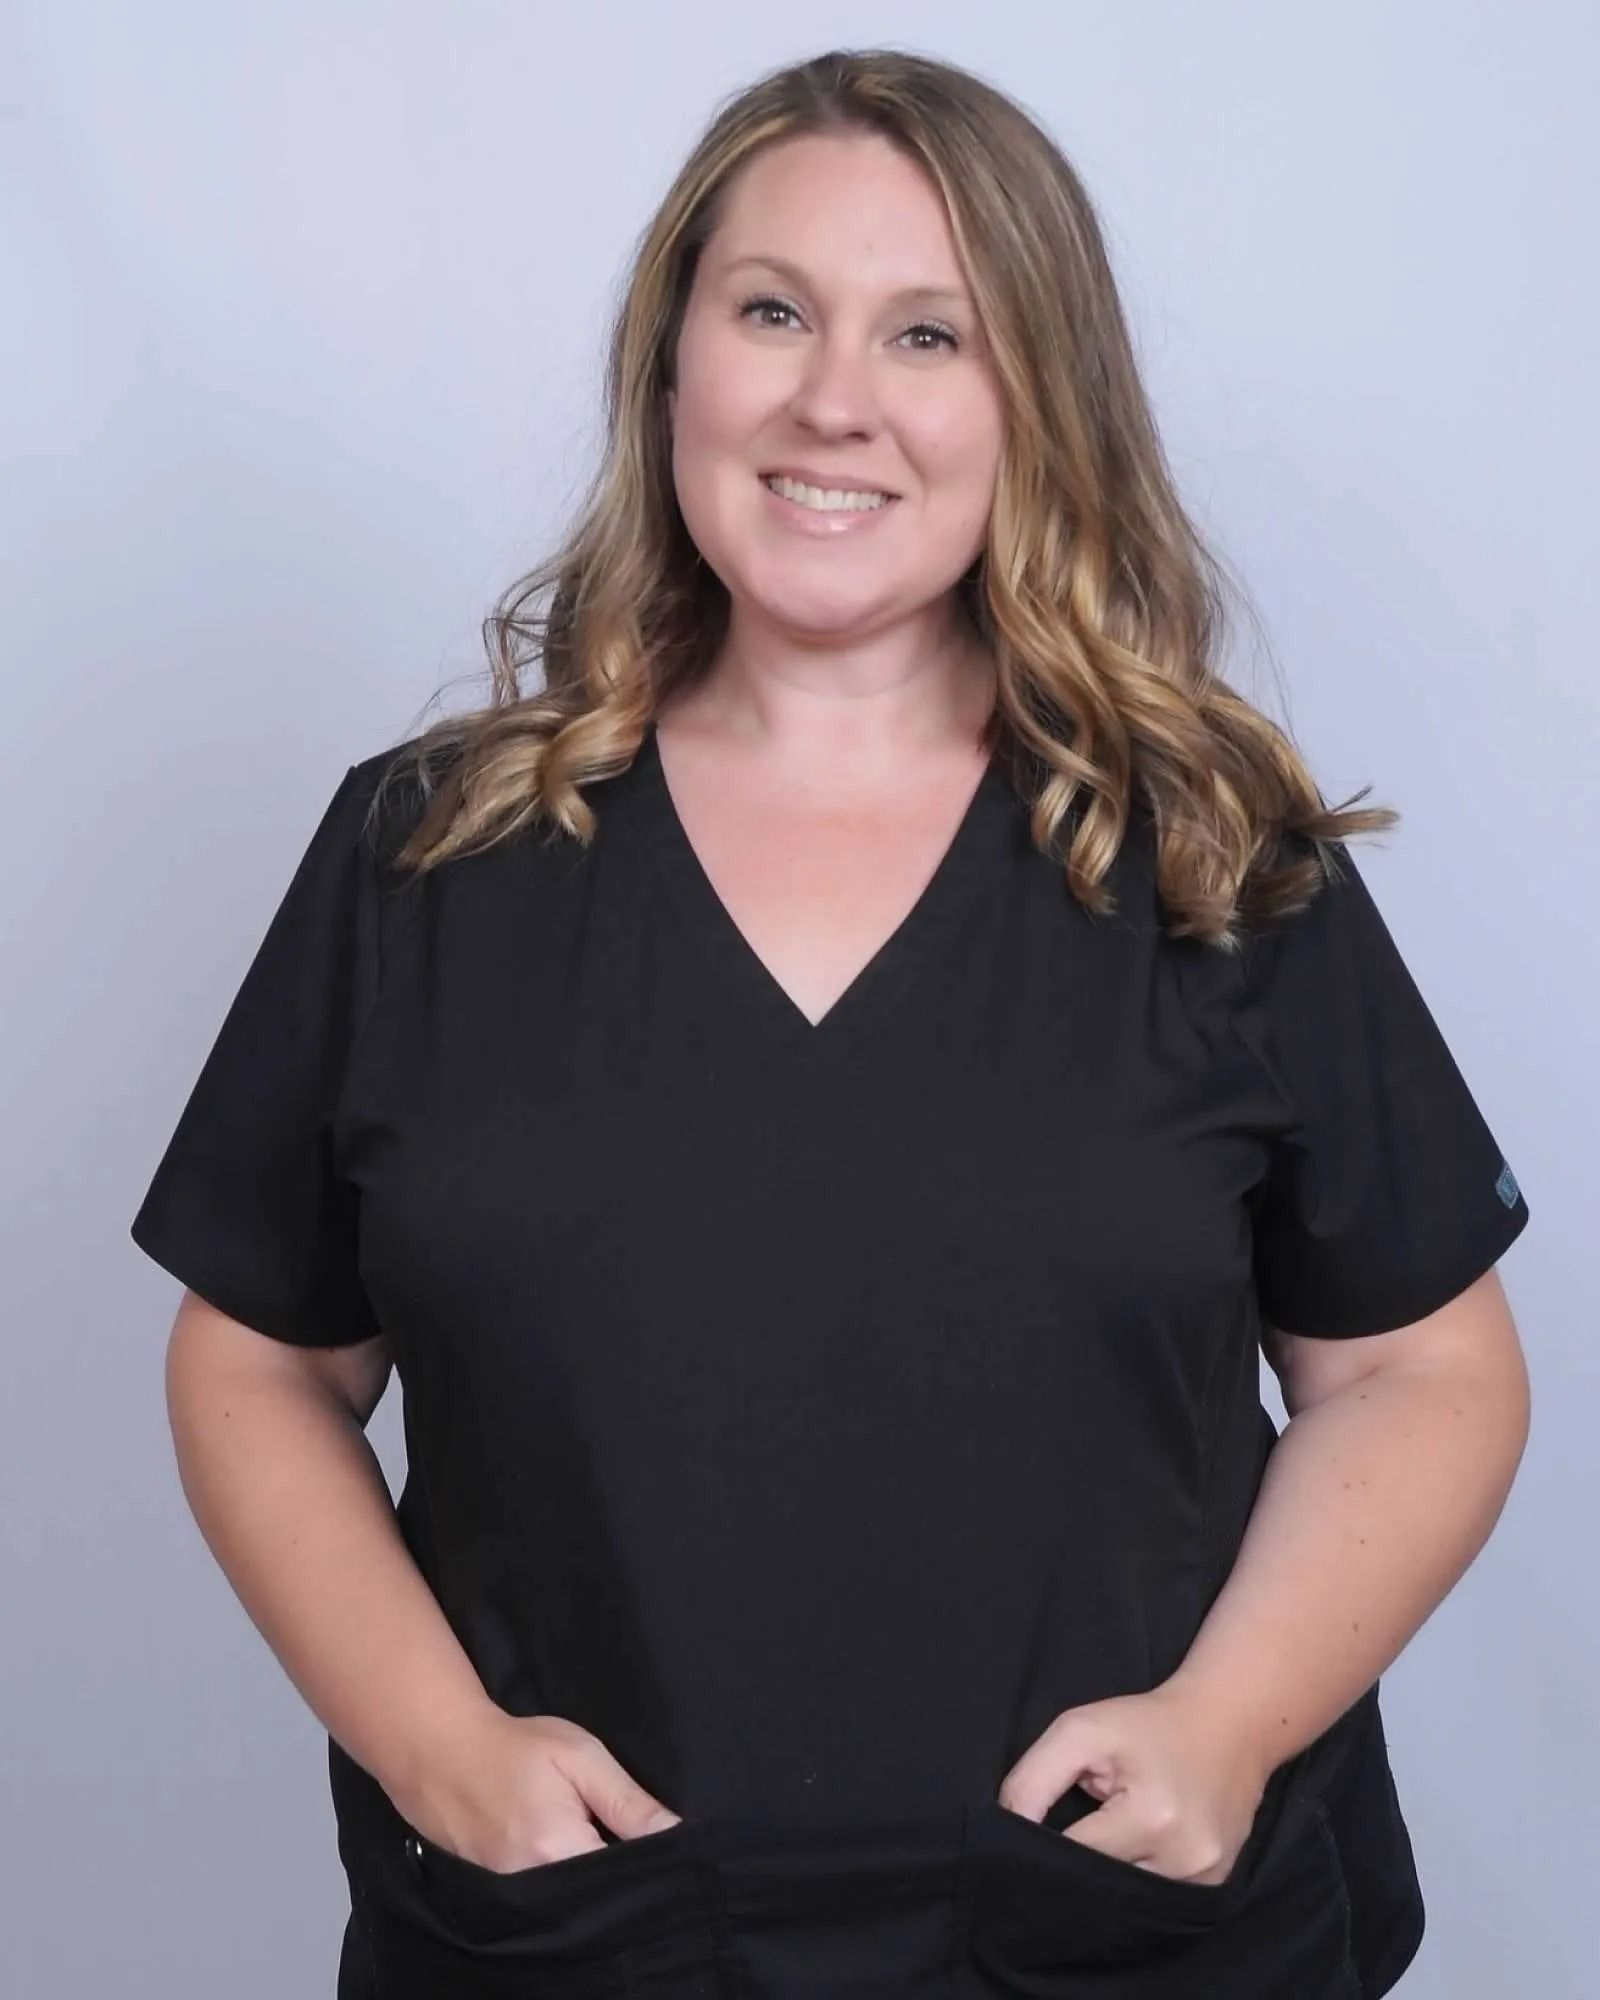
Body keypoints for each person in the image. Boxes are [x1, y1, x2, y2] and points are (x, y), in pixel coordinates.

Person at [129, 46, 1533, 2000]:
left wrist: (1224, 1727)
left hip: (1115, 1943)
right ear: (673, 360)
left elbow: (1419, 1374)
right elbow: (257, 1367)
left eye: (928, 333)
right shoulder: (426, 854)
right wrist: (440, 1753)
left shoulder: (1215, 856)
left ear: (1033, 400)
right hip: (586, 1948)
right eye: (771, 309)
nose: (831, 402)